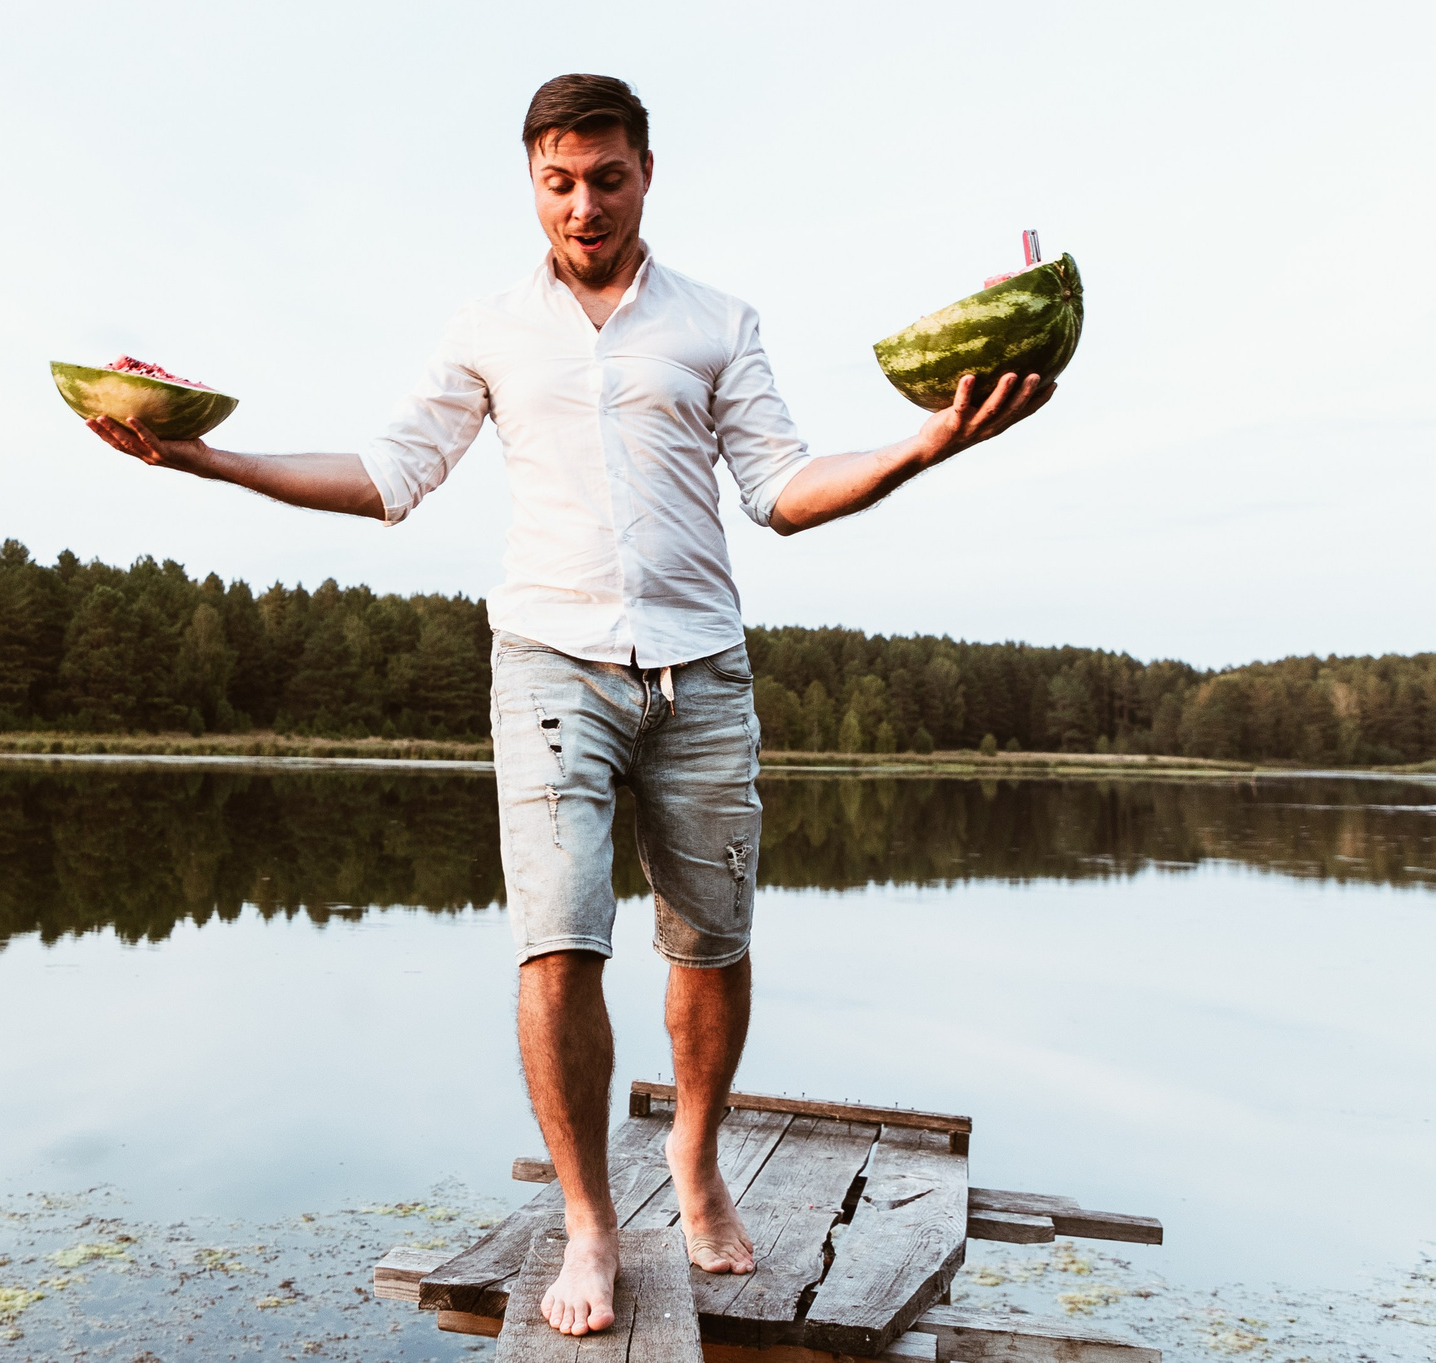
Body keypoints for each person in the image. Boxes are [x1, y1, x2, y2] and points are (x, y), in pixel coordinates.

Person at [83, 74, 1055, 1336]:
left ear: (645, 172)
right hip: (547, 662)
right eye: (559, 181)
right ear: (531, 183)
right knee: (557, 941)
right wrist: (206, 458)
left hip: (701, 665)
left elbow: (782, 486)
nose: (584, 204)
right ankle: (592, 1222)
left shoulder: (716, 320)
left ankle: (696, 1167)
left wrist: (924, 446)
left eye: (607, 177)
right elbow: (386, 477)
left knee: (710, 939)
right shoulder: (488, 325)